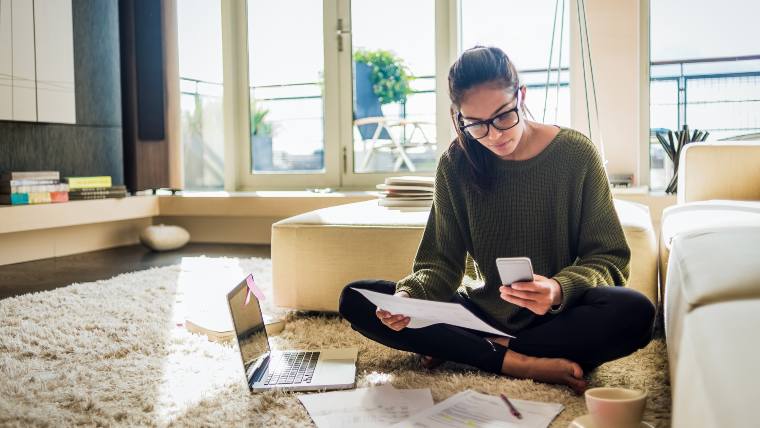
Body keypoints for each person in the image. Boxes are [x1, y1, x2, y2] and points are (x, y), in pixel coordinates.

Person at [338, 46, 655, 394]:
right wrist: (410, 296)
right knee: (357, 297)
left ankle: (471, 349)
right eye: (475, 124)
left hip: (552, 320)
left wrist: (558, 289)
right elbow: (440, 263)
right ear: (459, 117)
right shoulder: (455, 164)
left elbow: (609, 258)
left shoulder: (577, 155)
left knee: (635, 312)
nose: (494, 135)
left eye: (504, 116)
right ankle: (517, 361)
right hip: (477, 312)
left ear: (520, 95)